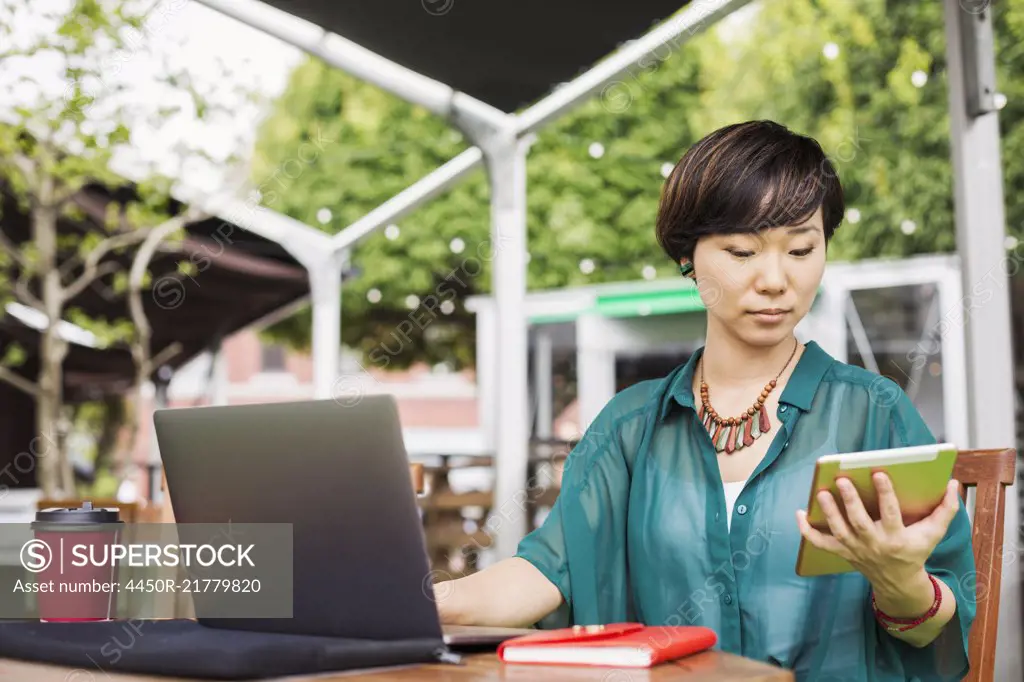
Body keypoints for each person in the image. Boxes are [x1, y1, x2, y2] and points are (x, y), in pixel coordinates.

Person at [434, 120, 976, 681]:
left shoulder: (874, 414)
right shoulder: (629, 429)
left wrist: (901, 582)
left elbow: (942, 624)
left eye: (801, 249)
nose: (775, 279)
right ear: (688, 257)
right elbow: (546, 573)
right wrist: (419, 601)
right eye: (742, 251)